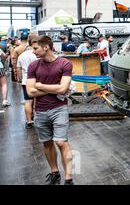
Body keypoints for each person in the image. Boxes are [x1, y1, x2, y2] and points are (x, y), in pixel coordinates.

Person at [26, 36, 74, 185]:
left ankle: (69, 178)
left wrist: (40, 85)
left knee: (61, 143)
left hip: (59, 109)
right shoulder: (33, 66)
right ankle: (54, 172)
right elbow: (30, 92)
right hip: (40, 111)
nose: (33, 52)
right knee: (47, 143)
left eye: (35, 48)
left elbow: (63, 88)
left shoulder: (65, 63)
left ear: (46, 47)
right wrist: (54, 88)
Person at [17, 36, 38, 128]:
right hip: (38, 81)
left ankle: (29, 121)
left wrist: (21, 80)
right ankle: (39, 119)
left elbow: (18, 70)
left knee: (28, 101)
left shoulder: (21, 56)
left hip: (26, 81)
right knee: (37, 100)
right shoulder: (37, 54)